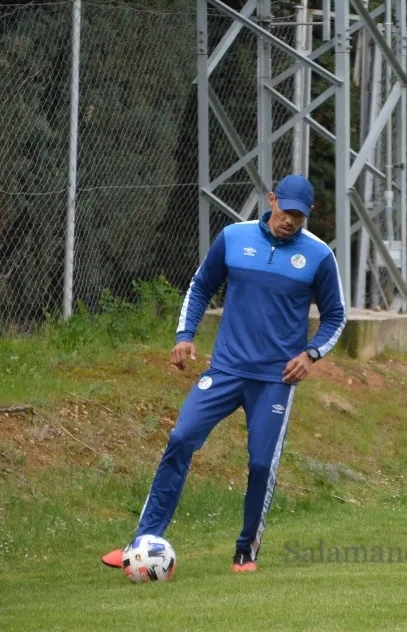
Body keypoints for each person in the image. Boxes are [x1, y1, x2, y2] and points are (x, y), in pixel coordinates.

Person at [101, 174, 346, 573]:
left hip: (275, 381)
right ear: (271, 201)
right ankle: (143, 540)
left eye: (300, 217)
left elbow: (336, 316)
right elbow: (200, 286)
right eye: (286, 212)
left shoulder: (318, 257)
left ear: (308, 215)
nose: (291, 222)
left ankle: (246, 551)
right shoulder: (234, 237)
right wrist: (185, 335)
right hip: (226, 369)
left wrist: (311, 354)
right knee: (180, 438)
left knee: (261, 465)